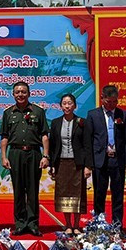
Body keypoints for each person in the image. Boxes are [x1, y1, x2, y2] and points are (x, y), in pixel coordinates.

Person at [0, 81, 49, 236]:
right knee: (19, 190)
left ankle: (33, 224)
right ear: (13, 94)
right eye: (17, 92)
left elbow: (44, 135)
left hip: (34, 153)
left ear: (29, 93)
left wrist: (45, 155)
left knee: (33, 190)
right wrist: (3, 156)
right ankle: (20, 223)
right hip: (15, 154)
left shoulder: (38, 111)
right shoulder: (8, 113)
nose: (20, 94)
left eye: (23, 92)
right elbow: (4, 137)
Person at [86, 85, 126, 226]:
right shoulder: (93, 115)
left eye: (114, 101)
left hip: (118, 159)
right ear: (102, 98)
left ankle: (117, 225)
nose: (112, 104)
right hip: (100, 159)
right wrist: (89, 163)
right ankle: (99, 224)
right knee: (99, 193)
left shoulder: (123, 115)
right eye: (109, 102)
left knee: (118, 194)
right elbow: (88, 140)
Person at [49, 94, 92, 234]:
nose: (67, 106)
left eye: (70, 103)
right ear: (60, 106)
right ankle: (67, 224)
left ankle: (76, 224)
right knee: (63, 193)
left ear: (75, 106)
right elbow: (53, 145)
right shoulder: (55, 123)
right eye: (64, 103)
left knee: (78, 194)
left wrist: (88, 166)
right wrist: (52, 165)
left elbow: (87, 145)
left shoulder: (82, 122)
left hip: (77, 164)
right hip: (61, 163)